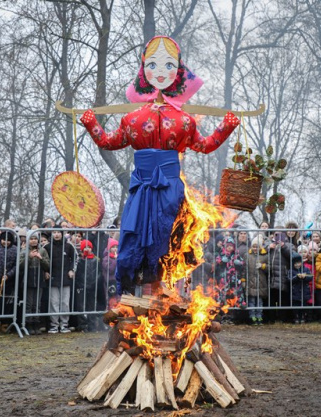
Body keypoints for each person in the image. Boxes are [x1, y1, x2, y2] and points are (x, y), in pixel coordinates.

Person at [80, 35, 240, 294]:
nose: (160, 72)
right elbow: (109, 141)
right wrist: (90, 124)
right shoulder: (134, 119)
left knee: (167, 239)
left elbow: (205, 145)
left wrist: (227, 127)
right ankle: (136, 298)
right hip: (142, 189)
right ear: (143, 70)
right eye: (152, 65)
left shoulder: (184, 120)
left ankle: (163, 295)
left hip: (168, 190)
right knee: (135, 239)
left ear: (178, 71)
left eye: (168, 65)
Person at [43, 226, 76, 334]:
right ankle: (54, 325)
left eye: (58, 232)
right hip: (53, 278)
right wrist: (45, 271)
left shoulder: (68, 246)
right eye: (54, 232)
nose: (56, 234)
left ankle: (64, 324)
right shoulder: (47, 247)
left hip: (65, 279)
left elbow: (75, 259)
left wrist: (71, 270)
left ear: (62, 234)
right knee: (54, 302)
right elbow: (43, 260)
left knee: (65, 302)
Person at [0, 231, 19, 335]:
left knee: (8, 303)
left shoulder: (15, 250)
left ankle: (5, 324)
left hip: (9, 280)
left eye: (9, 240)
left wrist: (9, 275)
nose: (6, 242)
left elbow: (16, 265)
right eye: (4, 240)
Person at [20, 232, 50, 335]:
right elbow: (20, 266)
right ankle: (28, 324)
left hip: (39, 279)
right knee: (29, 303)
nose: (33, 240)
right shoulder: (24, 251)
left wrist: (40, 258)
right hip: (28, 280)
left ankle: (36, 324)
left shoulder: (43, 250)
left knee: (37, 304)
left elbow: (48, 266)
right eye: (31, 238)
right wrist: (29, 257)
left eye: (35, 239)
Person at [74, 240, 101, 332]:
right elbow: (77, 273)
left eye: (89, 247)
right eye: (85, 247)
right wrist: (80, 284)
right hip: (82, 285)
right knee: (81, 306)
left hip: (92, 286)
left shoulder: (96, 260)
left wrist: (95, 282)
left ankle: (92, 325)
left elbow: (99, 273)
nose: (87, 249)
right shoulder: (80, 260)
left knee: (91, 305)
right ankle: (83, 325)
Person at [246, 238, 268, 325]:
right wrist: (244, 280)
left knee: (259, 302)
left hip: (261, 282)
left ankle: (259, 316)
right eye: (253, 247)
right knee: (251, 301)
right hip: (250, 282)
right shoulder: (247, 256)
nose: (255, 248)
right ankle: (252, 317)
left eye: (257, 247)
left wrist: (263, 266)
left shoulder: (265, 256)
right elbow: (245, 269)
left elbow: (270, 267)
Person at [288, 253, 313, 324]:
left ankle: (302, 316)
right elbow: (290, 279)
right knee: (295, 306)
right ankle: (296, 317)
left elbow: (310, 276)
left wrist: (304, 277)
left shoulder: (306, 269)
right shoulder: (291, 271)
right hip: (295, 292)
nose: (297, 265)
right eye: (295, 263)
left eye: (298, 263)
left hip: (304, 292)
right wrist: (297, 277)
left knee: (304, 305)